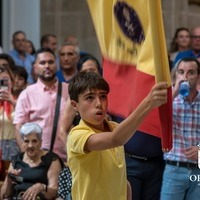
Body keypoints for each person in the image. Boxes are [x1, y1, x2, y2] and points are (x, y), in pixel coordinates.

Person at [67, 71, 168, 200]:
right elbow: (116, 139)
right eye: (90, 98)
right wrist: (148, 102)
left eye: (103, 96)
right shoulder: (77, 134)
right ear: (75, 105)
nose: (99, 103)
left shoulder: (114, 127)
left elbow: (123, 182)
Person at [13, 48, 69, 162]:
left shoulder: (69, 91)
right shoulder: (27, 94)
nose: (47, 66)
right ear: (35, 67)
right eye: (42, 63)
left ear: (56, 65)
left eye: (51, 62)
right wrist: (27, 157)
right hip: (37, 159)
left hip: (66, 158)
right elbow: (19, 127)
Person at [160, 58, 200, 200]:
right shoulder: (170, 100)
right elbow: (153, 117)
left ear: (198, 76)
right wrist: (175, 90)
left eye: (191, 72)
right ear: (176, 74)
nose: (185, 77)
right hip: (174, 169)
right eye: (181, 72)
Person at [0, 122, 63, 200]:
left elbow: (54, 193)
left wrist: (42, 187)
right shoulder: (16, 160)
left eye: (34, 141)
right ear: (22, 142)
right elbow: (3, 195)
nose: (30, 145)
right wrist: (9, 181)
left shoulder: (51, 160)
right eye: (26, 141)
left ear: (40, 142)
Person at [0, 61, 19, 181]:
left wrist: (12, 101)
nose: (3, 84)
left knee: (11, 179)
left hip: (13, 143)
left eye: (6, 80)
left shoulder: (19, 99)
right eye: (0, 81)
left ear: (12, 82)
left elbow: (25, 117)